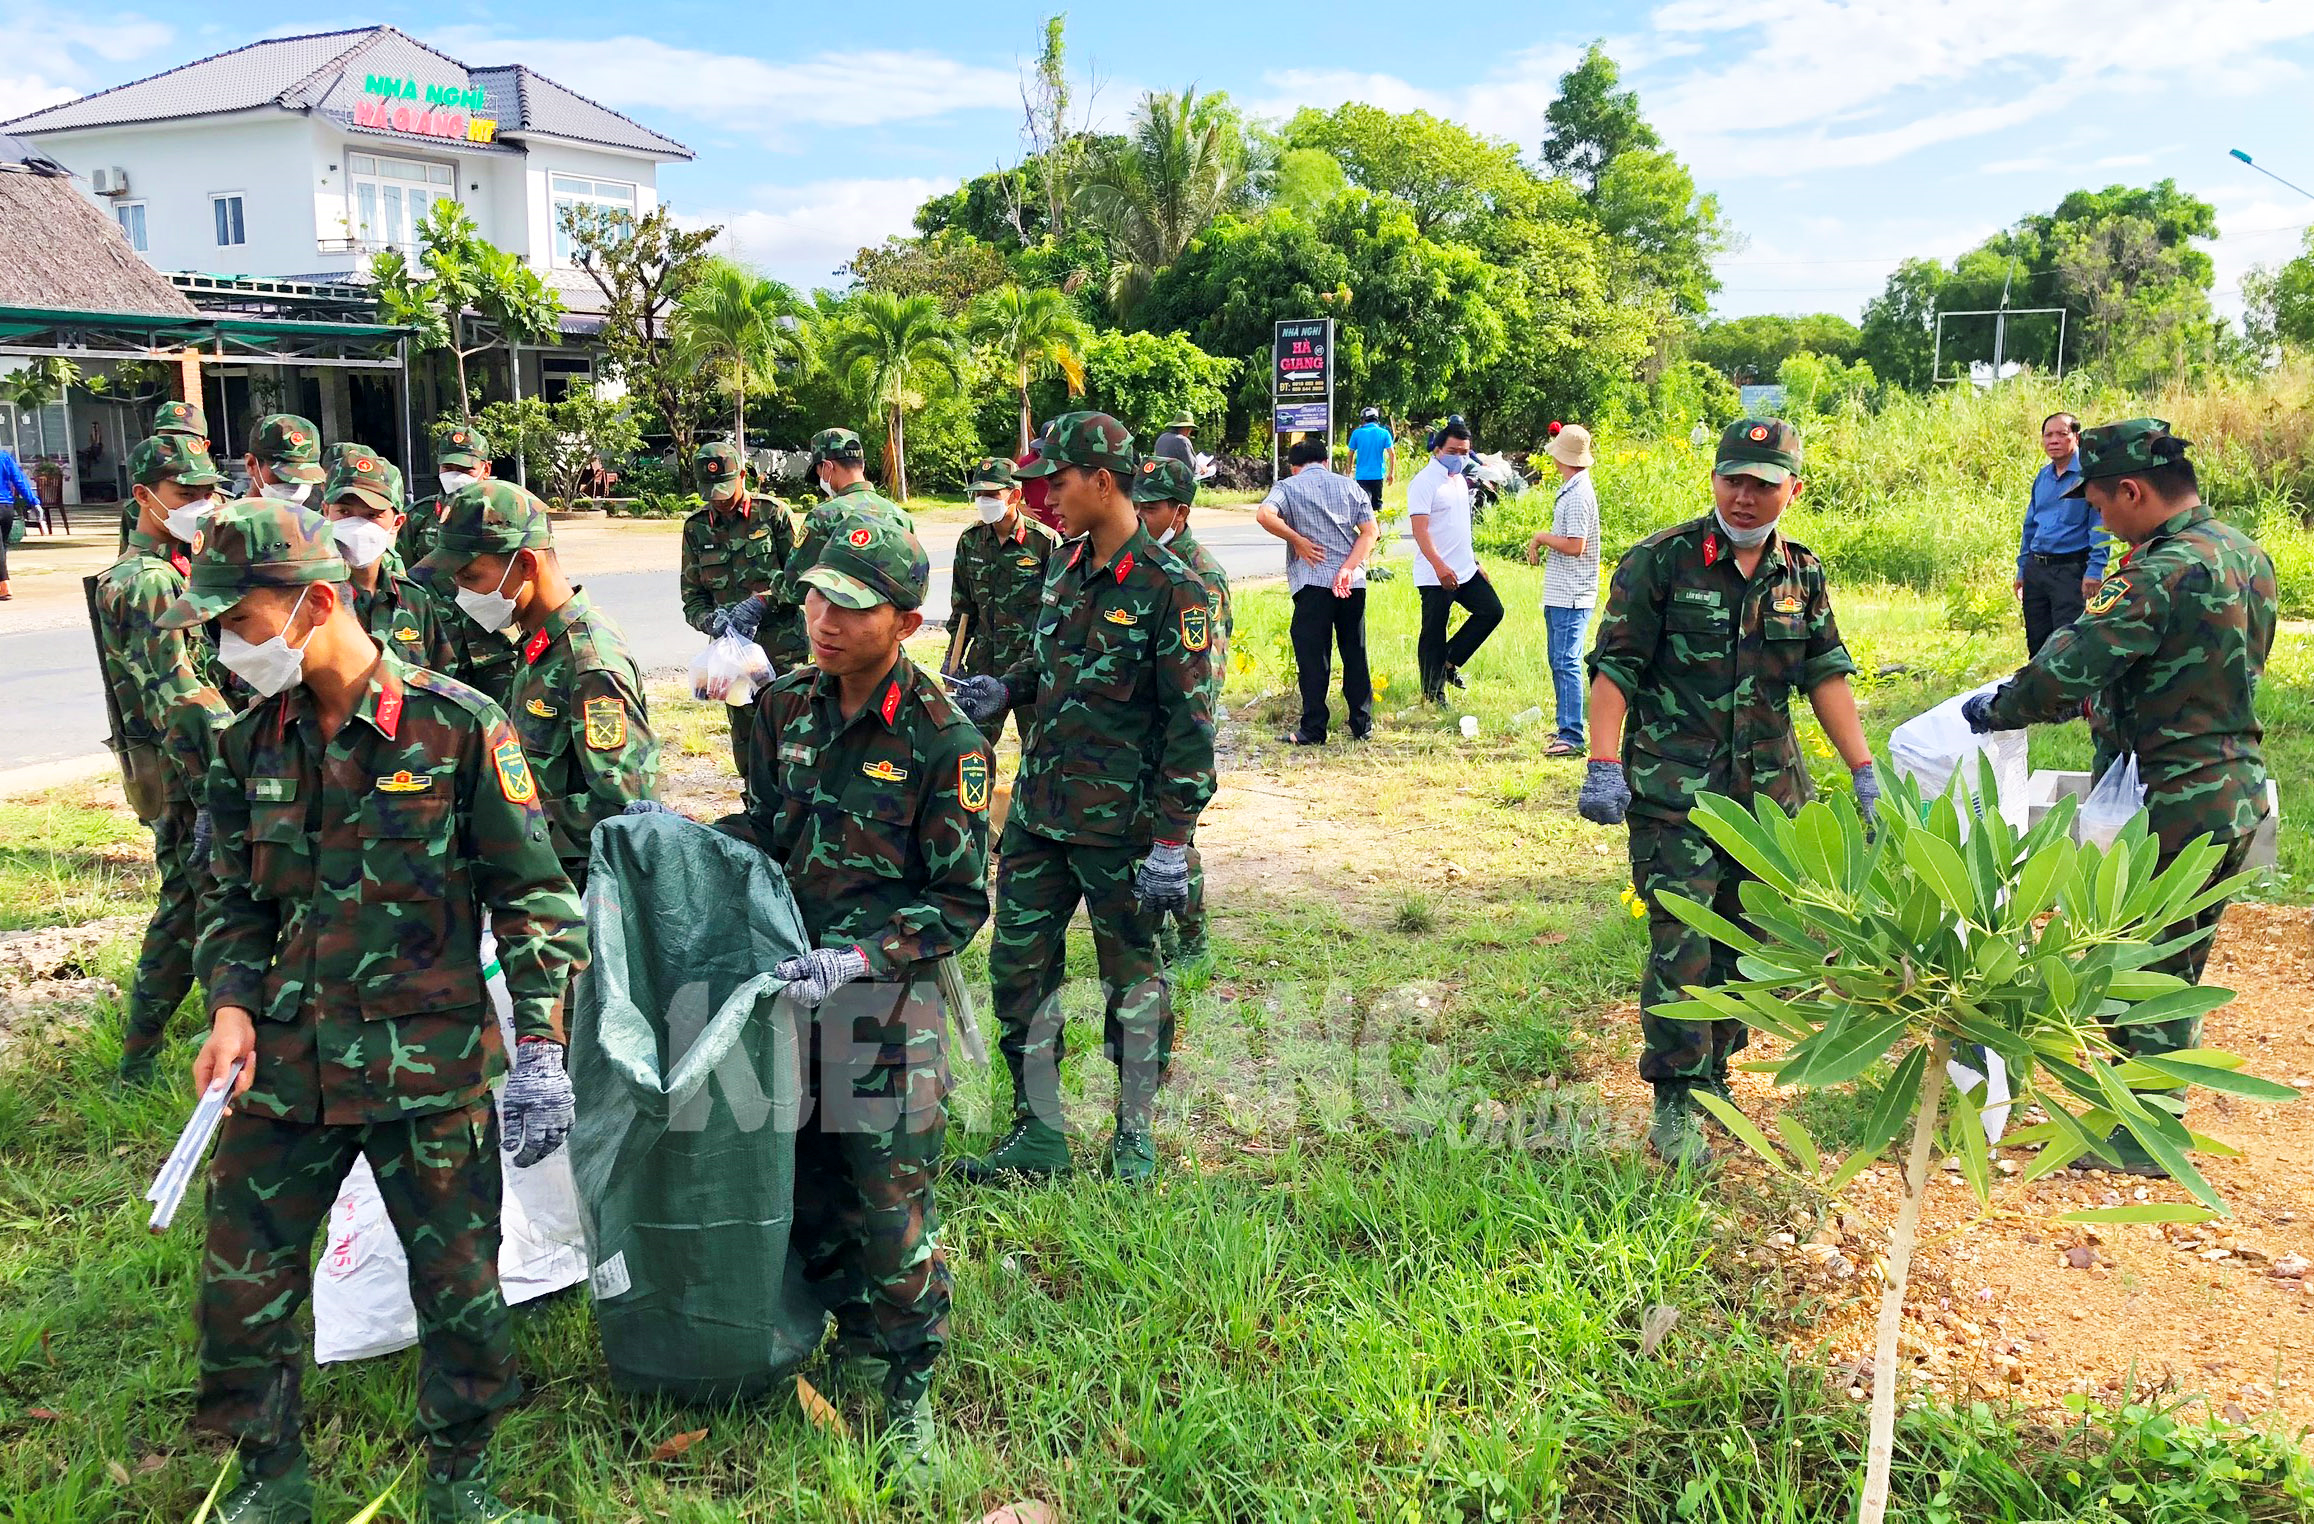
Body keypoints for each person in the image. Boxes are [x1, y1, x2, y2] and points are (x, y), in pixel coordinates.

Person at [163, 499, 585, 1524]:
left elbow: (533, 896)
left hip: (425, 1066)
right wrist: (228, 1007)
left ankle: (462, 1481)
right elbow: (233, 899)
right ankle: (268, 1476)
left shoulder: (457, 729)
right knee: (240, 1288)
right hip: (284, 1063)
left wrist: (539, 1044)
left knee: (460, 1290)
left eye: (240, 622)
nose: (227, 647)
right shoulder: (246, 744)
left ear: (315, 602)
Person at [704, 514, 990, 1489]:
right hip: (789, 997)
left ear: (905, 621)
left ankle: (909, 1385)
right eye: (817, 597)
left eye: (852, 607)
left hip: (883, 1012)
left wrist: (862, 956)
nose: (823, 621)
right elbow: (765, 820)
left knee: (889, 1204)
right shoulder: (787, 705)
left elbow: (958, 903)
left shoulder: (944, 741)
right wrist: (696, 842)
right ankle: (840, 1334)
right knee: (805, 1183)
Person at [1963, 419, 2275, 1171]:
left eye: (2102, 504)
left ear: (2133, 491)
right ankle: (2149, 1115)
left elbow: (2066, 672)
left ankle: (2143, 1137)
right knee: (2177, 958)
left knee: (2141, 965)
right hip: (2233, 785)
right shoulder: (2244, 553)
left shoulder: (2155, 571)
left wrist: (1998, 707)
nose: (2100, 519)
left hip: (2167, 796)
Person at [1578, 418, 1878, 1167]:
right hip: (1673, 792)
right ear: (1714, 479)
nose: (1745, 497)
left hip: (1769, 798)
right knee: (1681, 940)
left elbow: (1825, 674)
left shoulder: (1801, 574)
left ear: (1792, 490)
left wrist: (1864, 770)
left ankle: (1717, 1072)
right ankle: (1676, 1094)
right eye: (1733, 479)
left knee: (1749, 941)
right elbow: (1616, 668)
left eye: (1763, 484)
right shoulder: (1660, 562)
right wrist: (1604, 763)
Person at [947, 412, 1216, 1185]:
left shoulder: (1174, 590)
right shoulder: (1064, 568)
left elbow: (1192, 727)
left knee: (1133, 982)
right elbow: (1050, 667)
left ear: (1104, 481)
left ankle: (1134, 1133)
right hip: (1037, 816)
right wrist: (1006, 686)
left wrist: (1173, 842)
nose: (1045, 498)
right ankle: (1039, 1131)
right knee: (1017, 970)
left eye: (1057, 483)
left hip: (1121, 828)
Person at [422, 481, 659, 891]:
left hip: (577, 898)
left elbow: (625, 811)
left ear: (527, 566)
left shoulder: (590, 665)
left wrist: (499, 821)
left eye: (471, 576)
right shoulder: (538, 643)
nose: (461, 593)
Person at [94, 434, 234, 1080]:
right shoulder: (148, 583)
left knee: (188, 904)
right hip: (186, 773)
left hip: (180, 767)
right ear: (145, 497)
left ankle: (146, 1054)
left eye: (209, 490)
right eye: (187, 494)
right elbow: (180, 697)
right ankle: (189, 1056)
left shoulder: (161, 567)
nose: (202, 503)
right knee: (203, 905)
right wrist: (227, 780)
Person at [1131, 455, 1229, 973]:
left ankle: (1192, 944)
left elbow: (1202, 674)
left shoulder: (1199, 575)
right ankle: (1159, 933)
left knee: (1177, 837)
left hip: (1180, 730)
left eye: (1151, 508)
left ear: (1181, 512)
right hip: (1142, 728)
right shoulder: (1148, 565)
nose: (1140, 515)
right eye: (1137, 504)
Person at [681, 441, 802, 798]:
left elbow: (801, 578)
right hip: (733, 662)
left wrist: (763, 602)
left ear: (744, 477)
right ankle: (757, 812)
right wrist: (710, 622)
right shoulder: (696, 529)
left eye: (724, 490)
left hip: (784, 652)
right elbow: (692, 598)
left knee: (794, 739)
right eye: (709, 493)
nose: (718, 500)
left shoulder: (773, 515)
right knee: (750, 748)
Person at [1257, 435, 1379, 745]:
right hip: (1351, 582)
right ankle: (1362, 723)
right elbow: (1370, 532)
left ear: (1294, 467)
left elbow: (1264, 515)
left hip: (1313, 583)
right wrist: (1348, 568)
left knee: (1314, 657)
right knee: (1355, 650)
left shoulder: (1287, 487)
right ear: (1326, 462)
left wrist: (1297, 540)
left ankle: (1313, 728)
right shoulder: (1351, 486)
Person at [946, 456, 1062, 748]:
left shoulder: (1044, 542)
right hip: (984, 665)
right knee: (970, 747)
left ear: (1015, 495)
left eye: (992, 495)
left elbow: (1056, 613)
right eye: (979, 495)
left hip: (1030, 667)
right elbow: (962, 609)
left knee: (1040, 749)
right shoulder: (970, 541)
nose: (984, 501)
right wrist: (953, 658)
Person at [321, 448, 459, 676]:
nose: (357, 525)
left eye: (372, 515)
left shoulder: (414, 599)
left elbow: (441, 681)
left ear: (397, 522)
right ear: (326, 511)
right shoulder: (307, 599)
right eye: (344, 512)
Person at [1406, 416, 1503, 703]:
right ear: (1438, 450)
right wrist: (1439, 566)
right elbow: (1419, 530)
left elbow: (1460, 526)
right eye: (1453, 452)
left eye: (1464, 452)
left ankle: (1448, 663)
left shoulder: (1459, 480)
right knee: (1434, 631)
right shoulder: (1424, 483)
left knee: (1491, 611)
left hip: (1464, 569)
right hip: (1436, 572)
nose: (1459, 458)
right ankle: (1432, 692)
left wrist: (1473, 562)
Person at [781, 428, 916, 621]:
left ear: (827, 467)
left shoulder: (824, 516)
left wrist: (766, 592)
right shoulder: (900, 516)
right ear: (862, 464)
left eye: (819, 472)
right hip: (886, 631)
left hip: (842, 630)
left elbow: (796, 586)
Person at [1526, 423, 1603, 758]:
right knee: (1558, 660)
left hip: (1572, 593)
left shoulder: (1577, 496)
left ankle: (1572, 733)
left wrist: (1541, 538)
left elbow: (1575, 545)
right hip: (1564, 590)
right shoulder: (1574, 490)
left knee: (1567, 661)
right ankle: (1566, 725)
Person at [2015, 411, 2107, 656]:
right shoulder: (2043, 477)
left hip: (2070, 571)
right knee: (2037, 641)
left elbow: (2099, 527)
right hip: (2037, 569)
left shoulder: (2088, 477)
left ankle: (2071, 695)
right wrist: (2022, 569)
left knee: (2067, 643)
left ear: (2076, 437)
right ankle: (2040, 693)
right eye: (2048, 435)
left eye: (2061, 434)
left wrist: (2095, 570)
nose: (2053, 440)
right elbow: (2030, 526)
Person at [121, 399, 210, 551]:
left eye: (187, 437)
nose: (177, 443)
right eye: (167, 439)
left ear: (204, 446)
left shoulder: (220, 502)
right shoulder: (137, 507)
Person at [400, 424, 493, 567]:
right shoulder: (416, 516)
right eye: (448, 468)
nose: (455, 476)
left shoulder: (506, 514)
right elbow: (401, 577)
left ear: (486, 470)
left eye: (465, 470)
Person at [243, 414, 327, 505]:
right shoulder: (229, 517)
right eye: (282, 476)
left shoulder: (322, 517)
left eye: (305, 477)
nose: (295, 486)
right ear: (251, 465)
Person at [0, 441, 37, 599]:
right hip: (6, 508)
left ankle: (4, 586)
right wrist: (34, 502)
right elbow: (19, 480)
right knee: (2, 547)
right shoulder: (4, 458)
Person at [1347, 406, 1396, 514]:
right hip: (1377, 474)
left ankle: (1366, 528)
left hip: (1361, 475)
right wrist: (1391, 473)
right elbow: (1392, 453)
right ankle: (1377, 529)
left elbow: (1350, 453)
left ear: (1363, 419)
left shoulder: (1357, 433)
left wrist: (1349, 471)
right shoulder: (1384, 433)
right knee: (1377, 504)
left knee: (1363, 504)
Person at [1015, 424, 1063, 534]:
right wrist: (1019, 507)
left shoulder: (1068, 463)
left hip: (1066, 528)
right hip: (1038, 529)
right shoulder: (1026, 463)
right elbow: (1008, 492)